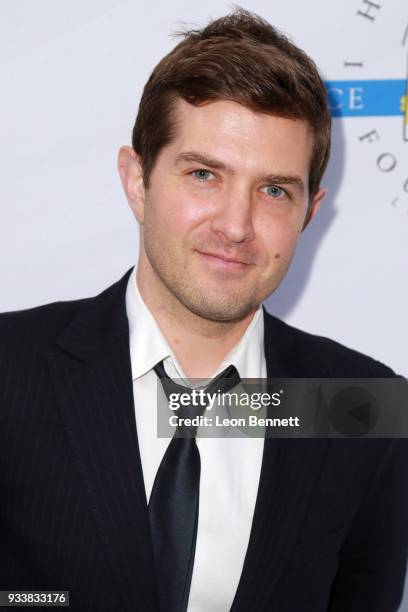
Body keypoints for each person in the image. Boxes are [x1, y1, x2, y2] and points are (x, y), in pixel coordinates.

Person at [1, 8, 407, 612]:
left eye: (274, 190)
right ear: (137, 181)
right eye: (203, 174)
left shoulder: (365, 407)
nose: (236, 226)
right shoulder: (11, 368)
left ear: (309, 211)